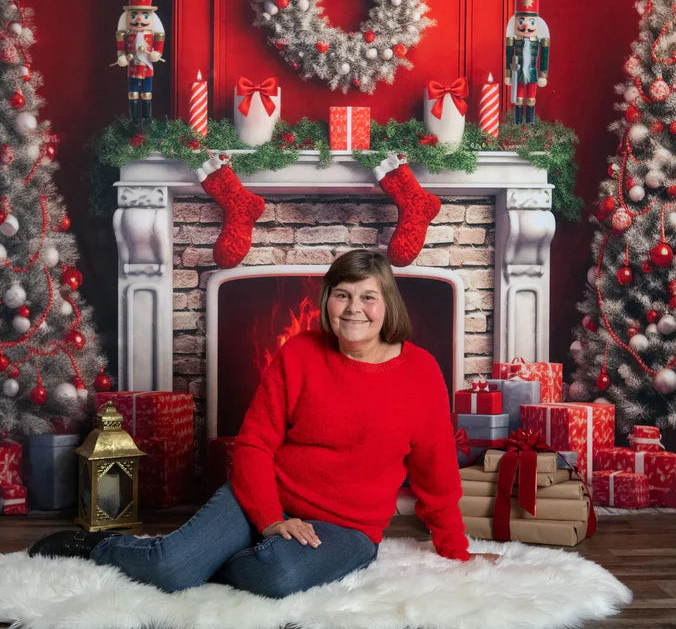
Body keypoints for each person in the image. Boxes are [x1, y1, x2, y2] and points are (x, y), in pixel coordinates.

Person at [29, 249, 498, 598]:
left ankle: (219, 558)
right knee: (170, 568)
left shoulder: (419, 372)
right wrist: (271, 519)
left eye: (368, 297)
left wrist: (456, 550)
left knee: (277, 576)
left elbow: (436, 473)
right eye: (342, 295)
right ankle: (99, 546)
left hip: (348, 529)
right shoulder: (299, 353)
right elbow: (253, 447)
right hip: (267, 496)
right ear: (327, 301)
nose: (354, 309)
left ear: (388, 306)